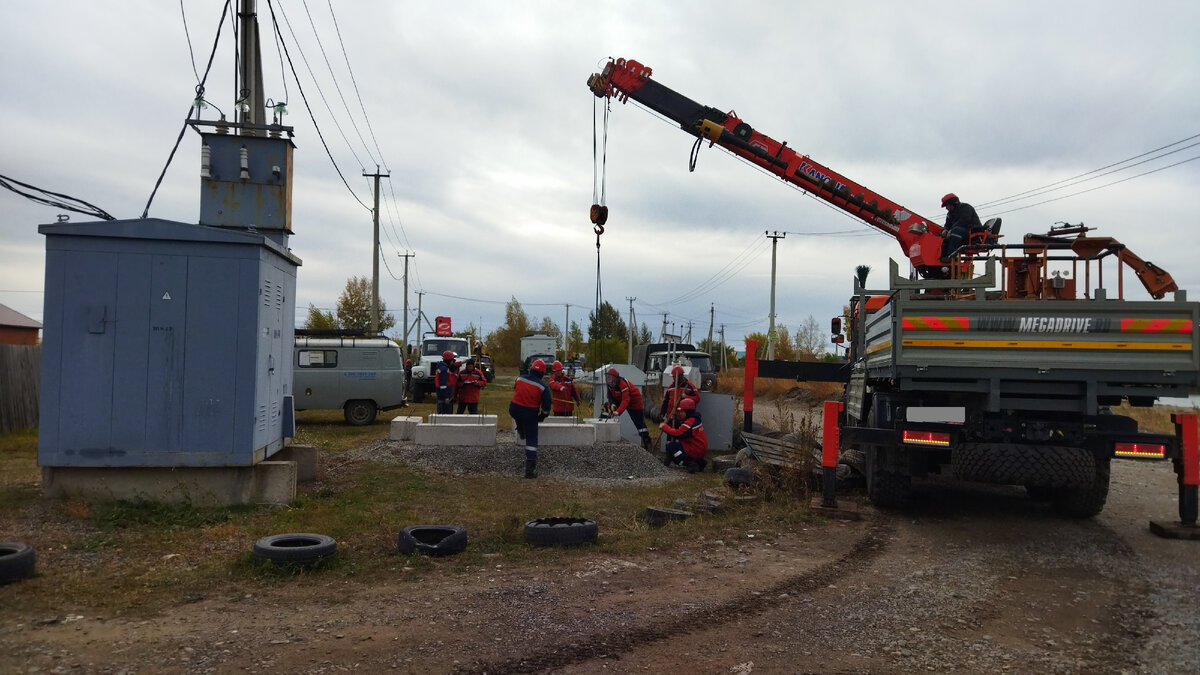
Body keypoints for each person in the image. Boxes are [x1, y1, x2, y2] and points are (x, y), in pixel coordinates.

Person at [510, 359, 552, 478]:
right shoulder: (543, 387)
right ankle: (530, 470)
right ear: (542, 373)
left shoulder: (520, 378)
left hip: (513, 409)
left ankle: (521, 429)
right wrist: (542, 416)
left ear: (531, 368)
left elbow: (516, 389)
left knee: (519, 414)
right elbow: (546, 407)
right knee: (532, 439)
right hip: (529, 413)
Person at [605, 367, 652, 451]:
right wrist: (612, 404)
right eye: (607, 377)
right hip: (619, 400)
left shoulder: (623, 384)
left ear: (615, 378)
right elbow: (610, 396)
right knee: (606, 408)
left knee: (639, 424)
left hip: (634, 402)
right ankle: (602, 426)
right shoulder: (610, 384)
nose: (608, 379)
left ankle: (647, 441)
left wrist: (618, 411)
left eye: (610, 377)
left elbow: (626, 400)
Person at [660, 398, 708, 473]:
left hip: (694, 449)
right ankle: (699, 462)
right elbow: (684, 430)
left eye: (682, 411)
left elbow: (678, 434)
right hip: (698, 448)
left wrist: (665, 427)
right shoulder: (695, 420)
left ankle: (690, 464)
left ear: (688, 411)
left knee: (671, 447)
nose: (680, 413)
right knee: (678, 446)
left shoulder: (689, 423)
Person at [939, 193, 983, 262]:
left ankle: (951, 256)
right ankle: (942, 257)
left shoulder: (965, 208)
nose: (946, 208)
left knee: (956, 231)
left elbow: (964, 221)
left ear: (952, 203)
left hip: (972, 235)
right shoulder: (950, 214)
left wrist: (951, 230)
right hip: (960, 235)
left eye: (947, 206)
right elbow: (947, 224)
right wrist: (945, 230)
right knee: (942, 237)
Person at [435, 350, 459, 415]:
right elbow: (443, 384)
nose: (453, 362)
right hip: (444, 396)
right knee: (445, 416)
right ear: (449, 360)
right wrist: (446, 397)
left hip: (442, 395)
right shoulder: (444, 370)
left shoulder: (442, 368)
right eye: (452, 360)